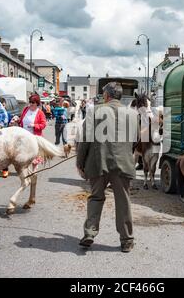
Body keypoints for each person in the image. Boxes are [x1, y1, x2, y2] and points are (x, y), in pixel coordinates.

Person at [76, 82, 138, 253]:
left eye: (103, 94)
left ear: (107, 96)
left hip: (98, 162)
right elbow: (135, 140)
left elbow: (84, 141)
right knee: (123, 201)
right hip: (123, 163)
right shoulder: (132, 114)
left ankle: (89, 233)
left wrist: (79, 163)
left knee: (96, 197)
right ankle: (126, 241)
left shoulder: (94, 111)